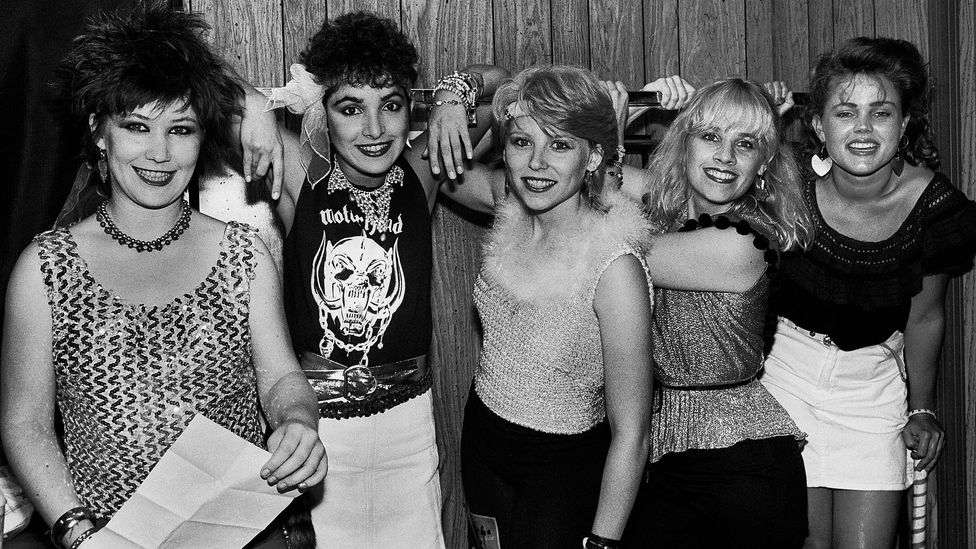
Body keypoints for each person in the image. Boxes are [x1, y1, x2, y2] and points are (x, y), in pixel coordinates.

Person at [0, 5, 326, 549]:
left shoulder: (242, 256)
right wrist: (80, 532)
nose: (159, 152)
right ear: (99, 131)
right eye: (136, 125)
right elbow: (25, 423)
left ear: (202, 138)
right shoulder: (44, 270)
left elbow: (280, 378)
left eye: (180, 128)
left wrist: (297, 419)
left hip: (243, 532)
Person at [235, 11, 509, 548]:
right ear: (323, 114)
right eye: (350, 108)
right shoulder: (301, 172)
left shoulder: (422, 168)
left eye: (390, 105)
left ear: (409, 106)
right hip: (316, 431)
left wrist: (454, 95)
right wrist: (253, 106)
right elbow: (199, 80)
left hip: (408, 430)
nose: (374, 129)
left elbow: (500, 79)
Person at [760, 37, 976, 549]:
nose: (862, 128)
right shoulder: (782, 179)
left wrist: (921, 409)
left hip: (872, 386)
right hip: (783, 375)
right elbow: (695, 178)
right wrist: (758, 118)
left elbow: (925, 317)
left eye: (880, 113)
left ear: (903, 126)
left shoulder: (935, 206)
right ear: (817, 125)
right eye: (845, 112)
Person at [447, 65, 654, 549]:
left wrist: (603, 543)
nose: (536, 163)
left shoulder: (614, 266)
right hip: (483, 442)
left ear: (593, 155)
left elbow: (634, 432)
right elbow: (444, 169)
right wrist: (450, 101)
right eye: (522, 143)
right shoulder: (511, 210)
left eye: (560, 145)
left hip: (561, 469)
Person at [612, 78, 814, 548]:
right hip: (663, 452)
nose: (725, 156)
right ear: (684, 143)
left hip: (745, 461)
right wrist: (635, 108)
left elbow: (606, 246)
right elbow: (555, 176)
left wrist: (613, 143)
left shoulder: (745, 241)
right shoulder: (664, 210)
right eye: (710, 136)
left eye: (744, 144)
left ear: (762, 164)